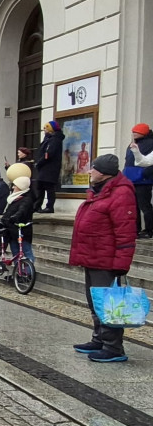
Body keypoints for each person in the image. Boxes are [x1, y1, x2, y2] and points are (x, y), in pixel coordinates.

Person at [69, 154, 138, 363]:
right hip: (92, 256)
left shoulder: (121, 194)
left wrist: (121, 264)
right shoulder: (99, 191)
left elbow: (125, 232)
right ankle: (99, 339)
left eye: (94, 169)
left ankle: (113, 347)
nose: (90, 171)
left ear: (104, 173)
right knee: (95, 302)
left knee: (108, 303)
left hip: (107, 259)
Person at [0, 177, 34, 263]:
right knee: (15, 253)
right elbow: (7, 213)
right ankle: (18, 273)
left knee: (27, 252)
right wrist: (1, 221)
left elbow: (22, 210)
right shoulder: (14, 198)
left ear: (20, 187)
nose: (13, 187)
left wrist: (15, 217)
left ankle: (28, 274)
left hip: (22, 231)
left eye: (15, 185)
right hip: (12, 231)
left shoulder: (26, 199)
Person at [125, 124, 153, 239]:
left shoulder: (151, 143)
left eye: (137, 131)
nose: (134, 133)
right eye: (133, 131)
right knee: (133, 206)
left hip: (143, 180)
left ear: (144, 132)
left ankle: (149, 230)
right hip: (130, 179)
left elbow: (148, 162)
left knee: (145, 206)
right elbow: (128, 160)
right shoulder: (132, 144)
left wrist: (145, 174)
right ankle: (135, 229)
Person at [34, 120, 64, 213]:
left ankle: (49, 207)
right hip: (43, 168)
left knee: (49, 187)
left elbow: (49, 153)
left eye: (45, 128)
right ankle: (37, 206)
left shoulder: (55, 139)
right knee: (40, 187)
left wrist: (40, 162)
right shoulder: (48, 139)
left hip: (50, 168)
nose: (44, 130)